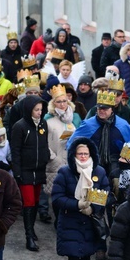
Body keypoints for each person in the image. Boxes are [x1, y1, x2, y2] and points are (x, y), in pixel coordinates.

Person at [52, 138, 110, 260]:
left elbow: (106, 193)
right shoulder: (65, 173)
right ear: (73, 155)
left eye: (86, 153)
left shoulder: (99, 172)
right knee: (74, 258)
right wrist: (77, 205)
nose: (83, 157)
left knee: (85, 257)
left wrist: (94, 207)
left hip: (91, 222)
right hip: (71, 221)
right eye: (80, 154)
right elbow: (57, 198)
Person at [11, 94, 51, 251]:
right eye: (36, 110)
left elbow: (44, 144)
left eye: (41, 110)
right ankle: (29, 236)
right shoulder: (19, 126)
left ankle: (32, 229)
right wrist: (17, 171)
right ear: (29, 110)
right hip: (25, 172)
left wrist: (45, 158)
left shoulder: (43, 124)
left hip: (39, 170)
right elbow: (15, 151)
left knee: (35, 201)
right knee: (28, 202)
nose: (39, 113)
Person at [67, 90, 130, 175]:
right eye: (99, 108)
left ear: (112, 109)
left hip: (117, 167)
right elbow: (71, 143)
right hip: (92, 166)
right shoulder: (88, 124)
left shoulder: (122, 124)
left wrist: (126, 160)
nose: (101, 111)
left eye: (105, 109)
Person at [44, 85, 82, 222]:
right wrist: (53, 158)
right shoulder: (48, 120)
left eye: (64, 101)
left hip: (72, 160)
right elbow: (44, 142)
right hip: (56, 160)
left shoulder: (74, 118)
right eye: (59, 102)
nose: (62, 104)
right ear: (54, 103)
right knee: (57, 194)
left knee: (71, 192)